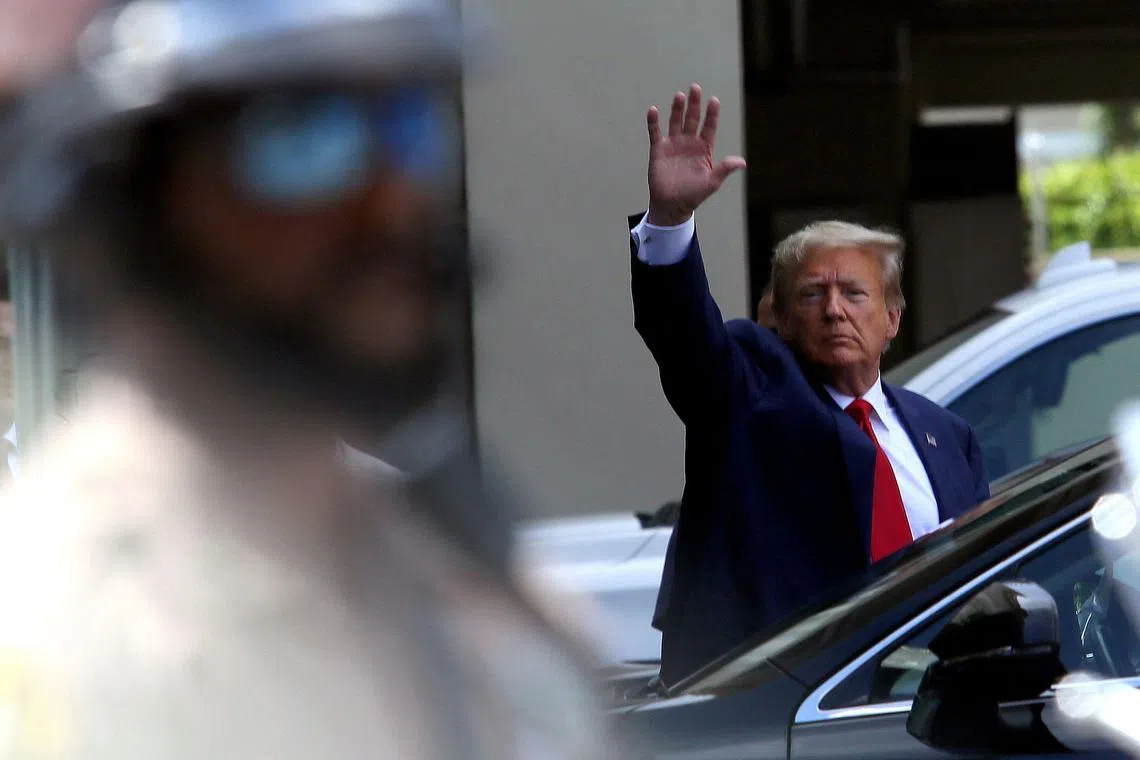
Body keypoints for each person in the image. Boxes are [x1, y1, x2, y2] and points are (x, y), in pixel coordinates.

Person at [0, 0, 614, 757]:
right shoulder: (66, 623)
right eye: (301, 134)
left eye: (408, 125)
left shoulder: (456, 573)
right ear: (121, 197)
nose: (390, 203)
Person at [630, 84, 990, 685]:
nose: (833, 311)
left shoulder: (946, 436)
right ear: (782, 318)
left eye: (854, 293)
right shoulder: (748, 388)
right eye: (811, 295)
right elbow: (687, 340)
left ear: (892, 318)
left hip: (916, 713)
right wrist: (670, 222)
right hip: (773, 710)